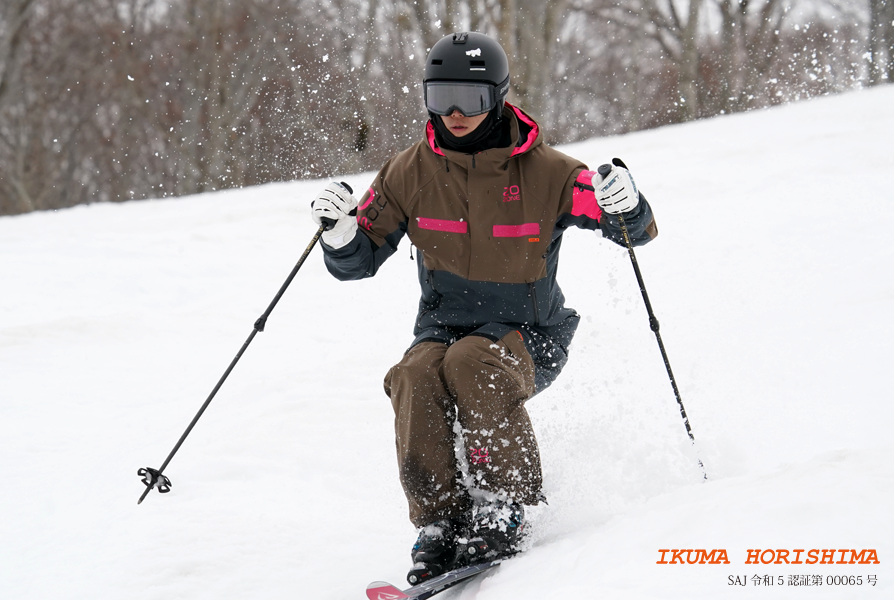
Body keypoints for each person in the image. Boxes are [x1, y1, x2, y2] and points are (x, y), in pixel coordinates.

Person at [310, 32, 657, 583]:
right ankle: (440, 522)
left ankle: (503, 505)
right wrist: (341, 235)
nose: (454, 113)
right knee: (415, 374)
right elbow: (359, 260)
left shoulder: (550, 173)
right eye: (439, 96)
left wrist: (629, 206)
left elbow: (627, 227)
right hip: (443, 330)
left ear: (496, 97)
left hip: (530, 336)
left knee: (470, 361)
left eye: (469, 99)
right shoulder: (410, 172)